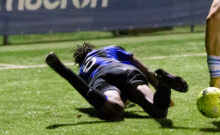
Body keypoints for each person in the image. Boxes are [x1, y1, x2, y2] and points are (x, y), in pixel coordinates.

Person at [45, 42, 188, 120]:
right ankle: (164, 86)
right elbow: (147, 71)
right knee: (159, 111)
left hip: (100, 77)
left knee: (115, 108)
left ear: (80, 60)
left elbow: (96, 96)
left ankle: (65, 72)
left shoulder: (83, 70)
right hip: (124, 70)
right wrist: (158, 88)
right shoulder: (111, 49)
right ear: (93, 49)